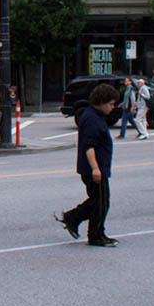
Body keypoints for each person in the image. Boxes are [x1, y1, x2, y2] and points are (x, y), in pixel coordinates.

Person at [54, 83, 119, 247]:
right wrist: (95, 168)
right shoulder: (91, 118)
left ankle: (75, 220)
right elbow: (88, 147)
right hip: (94, 169)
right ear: (102, 102)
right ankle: (95, 234)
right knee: (101, 202)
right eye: (111, 104)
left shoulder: (94, 116)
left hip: (96, 168)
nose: (113, 107)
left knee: (98, 201)